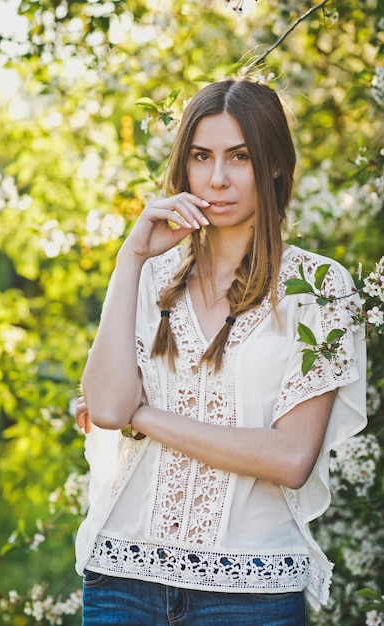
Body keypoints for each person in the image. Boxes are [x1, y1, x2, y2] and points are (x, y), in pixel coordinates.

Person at [74, 77, 367, 626]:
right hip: (124, 581)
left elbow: (290, 458)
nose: (217, 179)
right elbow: (107, 409)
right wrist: (129, 257)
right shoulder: (150, 275)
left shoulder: (319, 289)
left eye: (240, 156)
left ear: (274, 164)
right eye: (201, 156)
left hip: (249, 591)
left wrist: (144, 416)